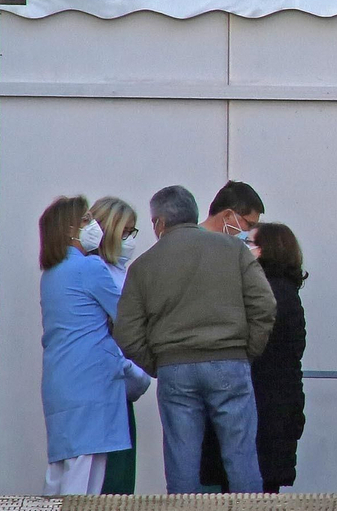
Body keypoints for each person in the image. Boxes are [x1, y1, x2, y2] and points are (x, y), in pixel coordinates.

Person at [115, 184, 276, 493]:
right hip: (229, 362)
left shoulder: (143, 266)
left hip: (175, 368)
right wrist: (247, 351)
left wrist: (158, 364)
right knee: (241, 455)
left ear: (160, 223)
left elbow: (126, 330)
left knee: (182, 460)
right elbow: (265, 305)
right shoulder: (234, 251)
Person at [201, 221, 309, 493]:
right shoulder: (286, 291)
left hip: (258, 401)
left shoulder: (263, 291)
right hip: (276, 406)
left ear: (267, 250)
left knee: (244, 488)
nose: (243, 246)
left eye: (249, 243)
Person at [37, 196, 132, 495]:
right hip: (91, 380)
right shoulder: (90, 268)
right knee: (86, 479)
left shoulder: (51, 273)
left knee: (59, 472)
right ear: (70, 229)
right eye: (86, 220)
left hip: (60, 379)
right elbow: (126, 316)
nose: (94, 227)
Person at [85, 196, 152, 494]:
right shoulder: (96, 271)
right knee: (108, 479)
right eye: (126, 232)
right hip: (108, 383)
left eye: (133, 233)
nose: (130, 240)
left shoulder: (121, 272)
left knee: (121, 477)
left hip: (122, 385)